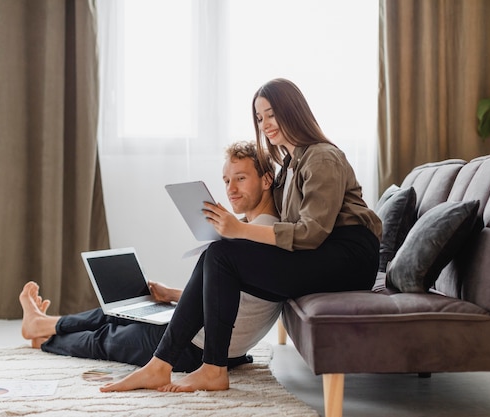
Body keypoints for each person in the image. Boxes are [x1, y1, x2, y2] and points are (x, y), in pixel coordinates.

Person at [101, 78, 382, 394]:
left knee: (223, 255)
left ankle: (211, 369)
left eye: (272, 114)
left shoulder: (321, 156)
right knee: (215, 255)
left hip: (349, 258)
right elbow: (277, 221)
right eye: (260, 118)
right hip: (323, 255)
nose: (265, 125)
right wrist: (232, 219)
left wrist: (239, 230)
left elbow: (311, 234)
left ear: (293, 111)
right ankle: (161, 364)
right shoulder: (289, 165)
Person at [19, 140, 282, 373]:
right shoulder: (255, 229)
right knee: (123, 311)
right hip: (201, 334)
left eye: (241, 178)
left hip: (196, 349)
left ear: (266, 180)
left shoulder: (261, 235)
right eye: (226, 180)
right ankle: (44, 324)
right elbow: (228, 296)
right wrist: (171, 294)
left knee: (108, 336)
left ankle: (44, 336)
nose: (231, 189)